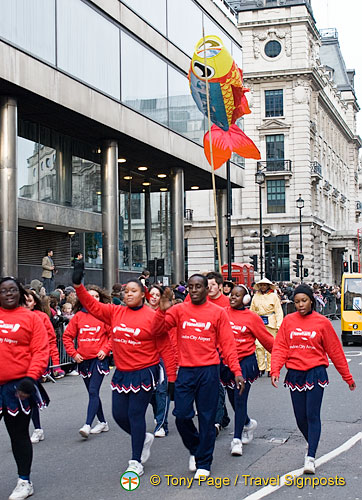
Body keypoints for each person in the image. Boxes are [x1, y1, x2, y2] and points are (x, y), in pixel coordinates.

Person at [71, 271, 176, 477]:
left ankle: (135, 460)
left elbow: (166, 349)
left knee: (135, 415)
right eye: (126, 291)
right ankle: (143, 438)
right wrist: (78, 285)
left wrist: (171, 378)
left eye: (133, 291)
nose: (128, 294)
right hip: (122, 372)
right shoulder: (115, 312)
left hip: (144, 372)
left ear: (143, 295)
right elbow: (92, 306)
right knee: (119, 415)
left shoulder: (153, 316)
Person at [152, 274, 244, 479]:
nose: (194, 290)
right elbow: (157, 330)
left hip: (209, 371)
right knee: (182, 417)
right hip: (185, 371)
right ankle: (196, 448)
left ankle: (204, 462)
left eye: (198, 287)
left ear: (206, 290)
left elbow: (228, 344)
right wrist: (161, 309)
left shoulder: (218, 313)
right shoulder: (178, 310)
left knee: (207, 418)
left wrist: (237, 371)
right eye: (190, 287)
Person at [271, 284, 356, 474]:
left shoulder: (322, 322)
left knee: (312, 415)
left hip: (315, 373)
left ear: (312, 301)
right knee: (300, 418)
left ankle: (310, 455)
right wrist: (275, 369)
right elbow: (280, 347)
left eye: (304, 301)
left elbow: (335, 351)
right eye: (297, 302)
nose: (300, 305)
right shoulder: (288, 321)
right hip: (294, 374)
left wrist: (347, 377)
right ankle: (313, 443)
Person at [0, 276, 49, 500]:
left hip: (17, 387)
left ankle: (24, 481)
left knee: (18, 436)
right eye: (4, 291)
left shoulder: (31, 319)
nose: (9, 294)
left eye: (13, 290)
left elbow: (40, 350)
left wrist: (31, 377)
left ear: (20, 293)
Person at [224, 285, 274, 456]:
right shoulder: (222, 313)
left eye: (237, 296)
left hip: (245, 363)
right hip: (226, 364)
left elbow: (267, 341)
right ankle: (247, 423)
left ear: (246, 299)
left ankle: (236, 440)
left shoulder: (252, 318)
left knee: (239, 400)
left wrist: (283, 358)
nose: (233, 298)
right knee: (232, 400)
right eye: (231, 295)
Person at [63, 285, 112, 438]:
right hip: (83, 361)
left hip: (99, 359)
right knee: (93, 394)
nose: (93, 299)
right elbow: (67, 337)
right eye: (89, 296)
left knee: (93, 391)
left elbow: (113, 336)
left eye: (96, 296)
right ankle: (103, 422)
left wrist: (105, 349)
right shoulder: (78, 316)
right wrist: (74, 353)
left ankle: (87, 424)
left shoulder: (104, 315)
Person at [24, 289, 64, 445]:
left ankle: (37, 429)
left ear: (35, 302)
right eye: (23, 300)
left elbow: (51, 342)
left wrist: (56, 365)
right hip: (16, 364)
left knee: (29, 394)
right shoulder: (12, 317)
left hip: (35, 362)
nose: (26, 302)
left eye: (29, 300)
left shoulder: (41, 317)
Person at [148, 284, 171, 438]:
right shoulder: (142, 312)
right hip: (146, 359)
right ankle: (159, 417)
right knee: (150, 393)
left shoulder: (167, 314)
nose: (154, 297)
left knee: (162, 391)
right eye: (152, 294)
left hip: (163, 357)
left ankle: (162, 424)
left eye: (158, 294)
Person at [250, 278, 283, 377]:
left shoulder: (274, 296)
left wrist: (279, 324)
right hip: (259, 322)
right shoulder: (255, 297)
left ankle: (270, 367)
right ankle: (261, 367)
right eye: (261, 285)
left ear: (268, 286)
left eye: (265, 285)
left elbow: (278, 311)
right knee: (259, 346)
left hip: (271, 321)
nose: (263, 287)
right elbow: (252, 311)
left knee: (271, 346)